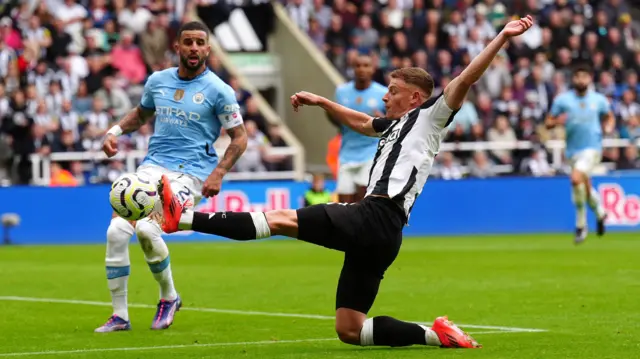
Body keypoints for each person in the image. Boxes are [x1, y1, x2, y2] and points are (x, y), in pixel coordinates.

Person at [155, 16, 534, 349]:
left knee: (282, 219)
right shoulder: (394, 126)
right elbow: (361, 122)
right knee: (350, 330)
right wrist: (322, 101)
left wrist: (502, 36)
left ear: (415, 96)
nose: (385, 96)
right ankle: (435, 334)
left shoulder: (432, 117)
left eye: (393, 91)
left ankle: (182, 218)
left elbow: (467, 77)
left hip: (377, 215)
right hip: (386, 235)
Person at [96, 21, 248, 332]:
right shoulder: (158, 81)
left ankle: (169, 297)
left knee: (149, 232)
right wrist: (113, 132)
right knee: (115, 233)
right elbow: (141, 114)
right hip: (151, 167)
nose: (194, 48)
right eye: (188, 42)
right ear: (177, 47)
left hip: (189, 174)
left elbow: (240, 137)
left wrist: (219, 172)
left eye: (200, 42)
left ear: (207, 48)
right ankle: (120, 316)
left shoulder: (219, 90)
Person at [545, 64, 613, 244]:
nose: (581, 80)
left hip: (593, 148)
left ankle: (581, 225)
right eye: (578, 77)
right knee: (584, 185)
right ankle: (600, 212)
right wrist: (557, 121)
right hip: (572, 151)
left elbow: (609, 116)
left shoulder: (598, 99)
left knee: (575, 179)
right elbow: (548, 122)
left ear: (590, 79)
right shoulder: (563, 100)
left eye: (584, 76)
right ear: (573, 79)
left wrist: (608, 126)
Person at [330, 55, 387, 203]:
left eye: (366, 65)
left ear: (373, 69)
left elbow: (391, 123)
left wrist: (381, 119)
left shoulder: (382, 93)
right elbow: (335, 117)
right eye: (358, 65)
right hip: (346, 153)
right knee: (343, 204)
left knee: (362, 200)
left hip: (370, 152)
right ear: (353, 69)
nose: (362, 69)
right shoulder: (341, 92)